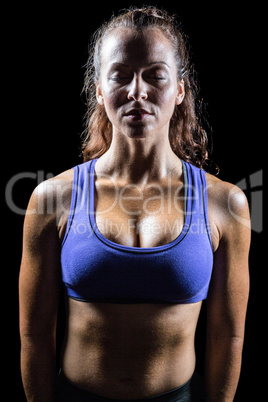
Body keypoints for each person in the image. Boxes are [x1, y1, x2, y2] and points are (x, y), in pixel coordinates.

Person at [19, 7, 251, 402]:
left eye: (155, 75)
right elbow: (35, 335)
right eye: (120, 74)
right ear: (98, 89)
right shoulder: (52, 199)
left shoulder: (225, 203)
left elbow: (226, 336)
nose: (137, 91)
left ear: (180, 89)